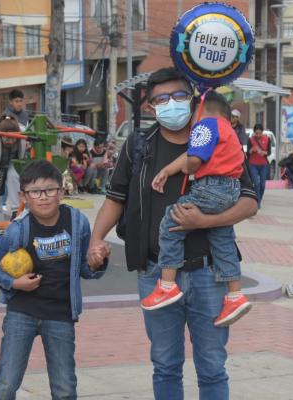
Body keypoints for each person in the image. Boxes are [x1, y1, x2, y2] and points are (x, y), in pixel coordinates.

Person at [87, 67, 258, 400]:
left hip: (209, 274)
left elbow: (250, 203)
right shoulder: (139, 145)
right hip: (155, 274)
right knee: (165, 365)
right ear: (151, 107)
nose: (171, 104)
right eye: (161, 99)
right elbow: (115, 199)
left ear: (193, 99)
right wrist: (96, 239)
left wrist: (203, 222)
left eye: (179, 96)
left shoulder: (219, 136)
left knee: (211, 367)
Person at [0, 160, 109, 400]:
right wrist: (13, 283)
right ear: (24, 196)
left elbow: (84, 267)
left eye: (50, 190)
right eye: (35, 192)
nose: (43, 197)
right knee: (6, 383)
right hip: (22, 311)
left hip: (60, 313)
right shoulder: (17, 229)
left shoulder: (76, 222)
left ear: (61, 191)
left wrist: (96, 262)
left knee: (65, 389)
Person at [141, 91, 252, 327]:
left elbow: (193, 159)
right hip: (230, 190)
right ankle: (235, 295)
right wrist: (169, 170)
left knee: (171, 221)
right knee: (222, 239)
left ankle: (167, 285)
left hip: (211, 186)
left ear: (200, 112)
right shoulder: (228, 130)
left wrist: (191, 163)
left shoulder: (205, 126)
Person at [247, 123, 271, 208]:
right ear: (254, 132)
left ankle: (259, 199)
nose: (258, 135)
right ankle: (257, 202)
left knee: (262, 185)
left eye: (259, 133)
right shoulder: (250, 139)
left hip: (263, 165)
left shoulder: (267, 139)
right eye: (256, 133)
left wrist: (264, 153)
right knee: (256, 184)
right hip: (253, 164)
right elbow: (248, 153)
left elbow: (269, 152)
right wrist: (252, 150)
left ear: (262, 132)